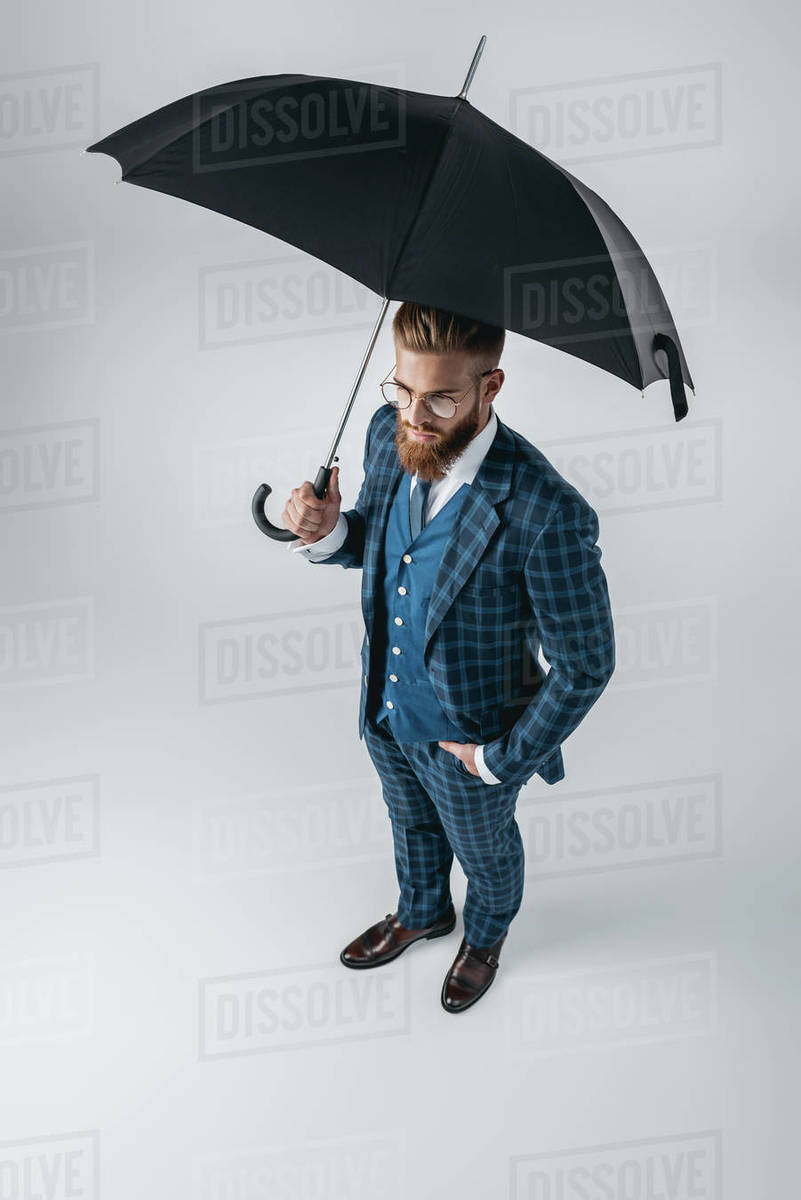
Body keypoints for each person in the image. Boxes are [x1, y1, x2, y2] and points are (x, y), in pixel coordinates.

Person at [282, 303, 615, 1013]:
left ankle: (484, 936)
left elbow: (586, 663)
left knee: (485, 852)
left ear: (489, 388)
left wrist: (499, 759)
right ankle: (423, 911)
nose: (414, 417)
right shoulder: (384, 433)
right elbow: (381, 549)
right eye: (401, 391)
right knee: (407, 821)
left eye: (439, 397)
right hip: (386, 706)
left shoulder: (544, 509)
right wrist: (329, 528)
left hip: (472, 736)